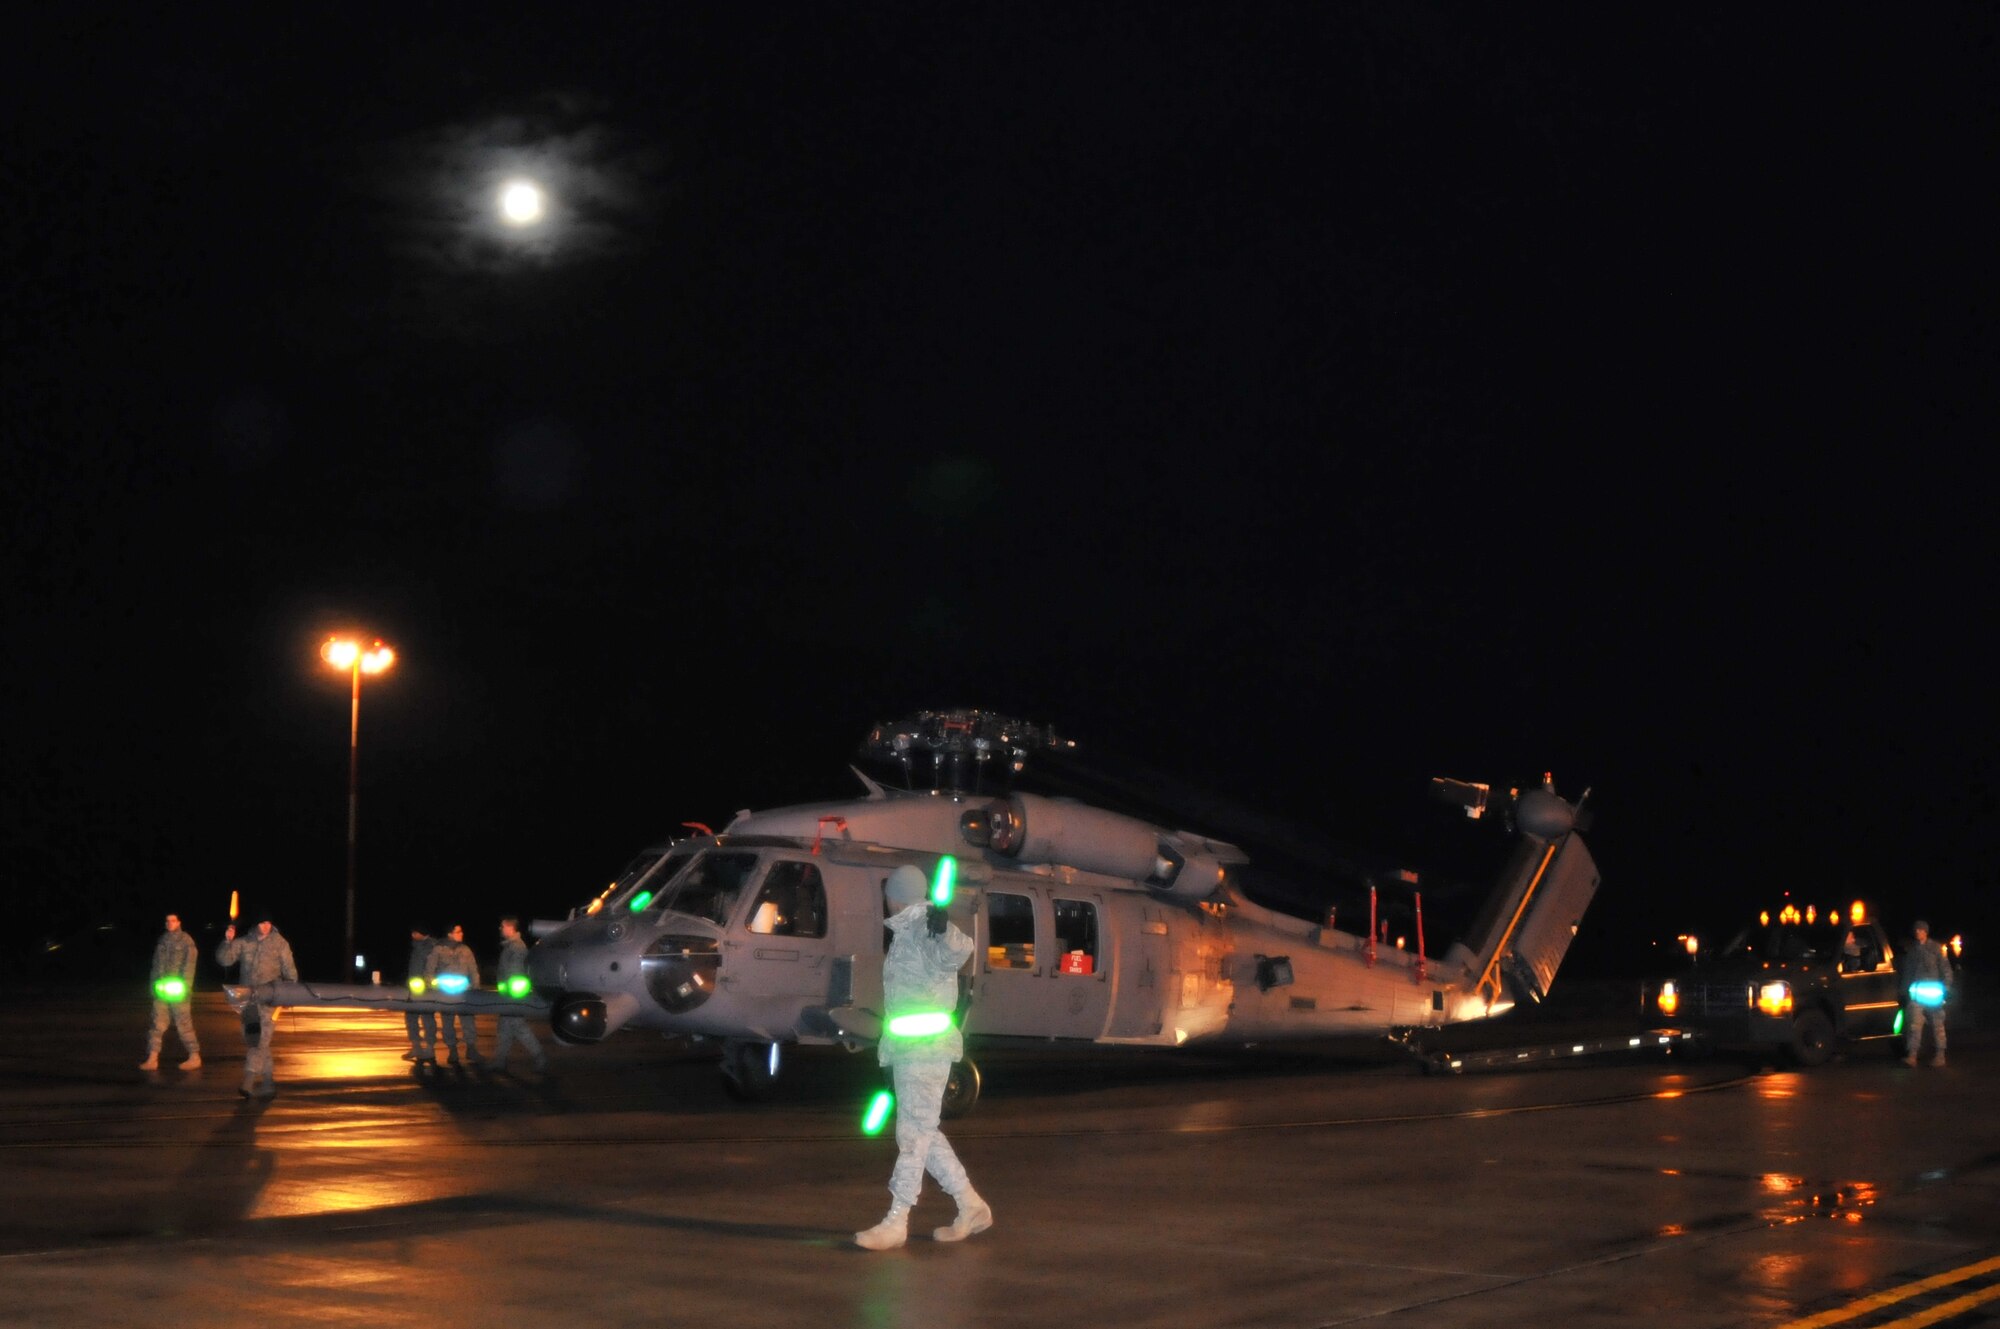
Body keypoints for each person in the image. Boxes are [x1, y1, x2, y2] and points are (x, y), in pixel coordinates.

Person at [854, 864, 992, 1251]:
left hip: (927, 1051)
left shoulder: (922, 926)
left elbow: (956, 951)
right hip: (910, 1050)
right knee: (923, 1132)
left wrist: (944, 929)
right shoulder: (905, 932)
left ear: (896, 896)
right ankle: (971, 1206)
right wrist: (889, 1054)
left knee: (913, 1135)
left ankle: (897, 1220)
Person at [214, 908, 298, 1098]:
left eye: (268, 922)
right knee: (256, 1041)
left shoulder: (280, 943)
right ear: (256, 924)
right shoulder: (245, 942)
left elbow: (290, 971)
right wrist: (227, 941)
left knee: (260, 1041)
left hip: (271, 1001)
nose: (266, 926)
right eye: (262, 923)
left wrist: (289, 995)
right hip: (249, 1001)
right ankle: (268, 1082)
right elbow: (225, 960)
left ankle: (248, 1080)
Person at [139, 912, 202, 1071]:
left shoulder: (186, 940)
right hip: (162, 988)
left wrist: (186, 986)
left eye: (173, 920)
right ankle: (152, 1058)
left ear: (179, 922)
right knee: (157, 1023)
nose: (170, 923)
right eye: (167, 921)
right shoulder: (162, 940)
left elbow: (190, 965)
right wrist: (153, 985)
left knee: (183, 1023)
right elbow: (155, 965)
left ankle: (194, 1056)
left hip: (178, 989)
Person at [490, 917, 547, 1073]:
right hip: (508, 994)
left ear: (510, 927)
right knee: (504, 1029)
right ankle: (499, 1062)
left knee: (518, 1027)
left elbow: (514, 973)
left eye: (502, 926)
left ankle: (540, 1057)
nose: (500, 929)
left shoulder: (517, 947)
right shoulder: (511, 946)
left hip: (513, 995)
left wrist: (510, 994)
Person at [1897, 919, 1953, 1067]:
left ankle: (1940, 1055)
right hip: (1917, 995)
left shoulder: (1935, 949)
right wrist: (1903, 992)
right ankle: (1912, 1056)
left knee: (1937, 1025)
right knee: (1914, 1026)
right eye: (1916, 930)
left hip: (1934, 995)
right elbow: (1908, 973)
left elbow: (1946, 970)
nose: (1918, 932)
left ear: (1926, 932)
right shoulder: (1912, 951)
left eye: (1920, 930)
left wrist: (1946, 989)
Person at [426, 922, 483, 1065]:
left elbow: (473, 970)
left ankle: (471, 1049)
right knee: (447, 1022)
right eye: (458, 932)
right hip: (445, 993)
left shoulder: (466, 950)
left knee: (468, 1021)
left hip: (464, 992)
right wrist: (432, 987)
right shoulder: (438, 949)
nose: (461, 934)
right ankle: (452, 1050)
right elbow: (429, 970)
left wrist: (475, 987)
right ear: (450, 934)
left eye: (461, 931)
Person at [403, 923, 439, 1063]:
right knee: (411, 1017)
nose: (412, 935)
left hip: (426, 988)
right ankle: (416, 1047)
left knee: (427, 1018)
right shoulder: (416, 946)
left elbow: (432, 967)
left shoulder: (433, 946)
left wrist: (430, 984)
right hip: (413, 987)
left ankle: (430, 1048)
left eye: (415, 932)